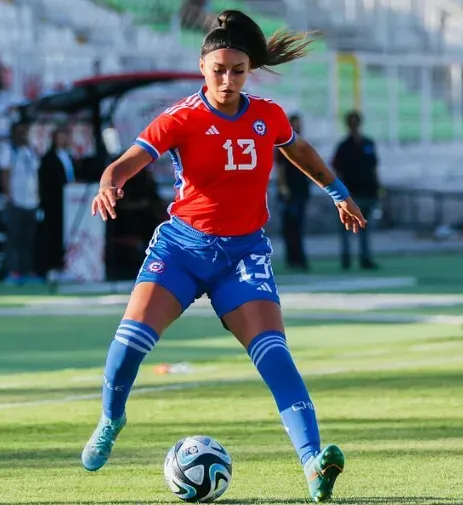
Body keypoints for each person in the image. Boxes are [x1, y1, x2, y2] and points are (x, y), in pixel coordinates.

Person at [79, 10, 366, 503]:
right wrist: (109, 185)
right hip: (183, 248)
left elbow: (299, 152)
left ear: (248, 69)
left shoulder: (268, 115)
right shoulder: (181, 118)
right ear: (202, 67)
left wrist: (337, 191)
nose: (229, 79)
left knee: (275, 357)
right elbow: (123, 164)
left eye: (238, 69)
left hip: (244, 254)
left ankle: (313, 465)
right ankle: (110, 418)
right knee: (130, 342)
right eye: (220, 69)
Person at [331, 110, 380, 270]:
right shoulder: (343, 146)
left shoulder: (368, 143)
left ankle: (365, 257)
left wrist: (377, 187)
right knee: (346, 227)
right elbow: (337, 170)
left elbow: (374, 168)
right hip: (350, 193)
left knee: (365, 226)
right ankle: (346, 258)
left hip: (367, 191)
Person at [0, 121, 41, 286]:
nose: (23, 136)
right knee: (14, 238)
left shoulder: (30, 151)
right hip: (17, 200)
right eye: (20, 132)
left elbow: (35, 175)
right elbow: (5, 174)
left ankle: (27, 270)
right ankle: (12, 271)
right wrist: (9, 196)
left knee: (29, 239)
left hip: (32, 201)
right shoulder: (9, 150)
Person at [36, 127, 76, 280]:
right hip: (54, 203)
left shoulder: (69, 156)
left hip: (69, 204)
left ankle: (65, 265)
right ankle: (52, 267)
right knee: (53, 234)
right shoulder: (48, 158)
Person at [277, 113, 311, 271]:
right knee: (290, 228)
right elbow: (281, 169)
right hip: (289, 193)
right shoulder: (283, 144)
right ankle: (292, 259)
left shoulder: (303, 144)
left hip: (300, 191)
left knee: (299, 227)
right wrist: (283, 188)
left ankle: (300, 258)